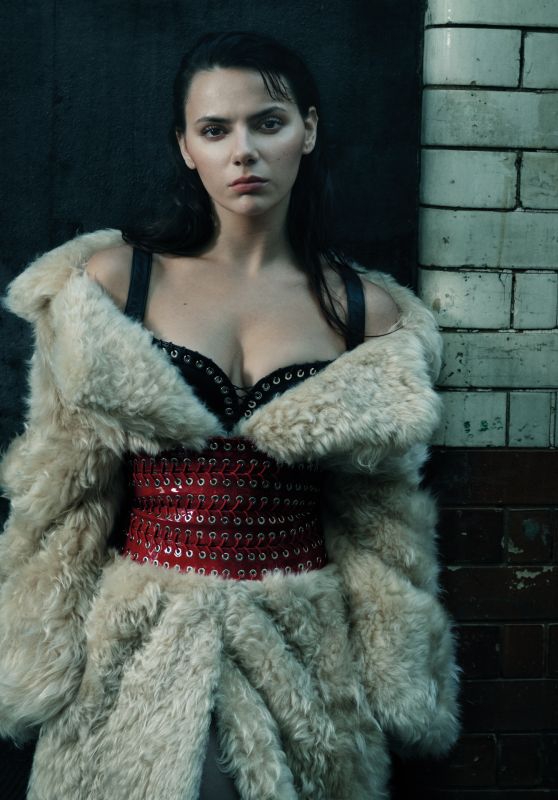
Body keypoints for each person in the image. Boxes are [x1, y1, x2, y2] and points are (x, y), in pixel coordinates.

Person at [0, 31, 459, 800]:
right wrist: (34, 659)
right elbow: (62, 495)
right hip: (141, 645)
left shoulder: (364, 312)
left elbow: (381, 526)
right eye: (215, 130)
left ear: (307, 130)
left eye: (267, 123)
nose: (243, 151)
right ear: (187, 147)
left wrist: (399, 677)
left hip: (302, 650)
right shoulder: (116, 284)